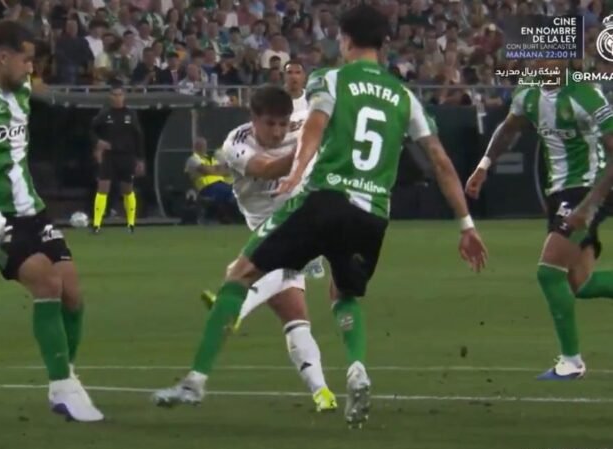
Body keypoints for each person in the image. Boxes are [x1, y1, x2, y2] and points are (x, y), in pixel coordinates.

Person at [152, 5, 487, 427]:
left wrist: (295, 174)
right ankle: (357, 369)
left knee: (239, 274)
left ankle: (195, 381)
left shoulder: (329, 79)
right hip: (374, 214)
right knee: (343, 294)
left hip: (326, 199)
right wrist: (466, 225)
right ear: (384, 43)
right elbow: (439, 159)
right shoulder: (405, 97)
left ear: (345, 39)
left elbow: (313, 128)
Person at [0, 20, 104, 423]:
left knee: (72, 292)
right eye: (26, 60)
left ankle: (64, 376)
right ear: (3, 57)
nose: (31, 68)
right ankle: (63, 387)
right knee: (46, 282)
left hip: (31, 208)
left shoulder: (20, 88)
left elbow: (38, 98)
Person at [188, 87, 337, 412]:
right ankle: (322, 391)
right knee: (295, 316)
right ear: (253, 119)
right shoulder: (236, 144)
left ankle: (237, 308)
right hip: (263, 227)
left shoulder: (302, 123)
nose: (278, 131)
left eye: (283, 124)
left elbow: (334, 116)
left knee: (257, 275)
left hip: (301, 217)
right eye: (270, 124)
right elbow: (270, 170)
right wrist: (308, 147)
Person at [465, 71, 613, 380]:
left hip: (588, 187)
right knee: (579, 283)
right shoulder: (529, 92)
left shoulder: (585, 94)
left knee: (549, 271)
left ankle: (571, 362)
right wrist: (484, 166)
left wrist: (589, 206)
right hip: (560, 191)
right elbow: (508, 128)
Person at [89, 82, 145, 234]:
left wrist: (140, 159)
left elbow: (138, 137)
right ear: (110, 97)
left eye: (120, 95)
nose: (117, 98)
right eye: (114, 95)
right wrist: (98, 142)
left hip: (127, 156)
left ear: (124, 96)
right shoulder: (104, 114)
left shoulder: (131, 114)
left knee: (127, 189)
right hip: (109, 156)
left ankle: (131, 224)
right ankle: (96, 224)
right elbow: (91, 130)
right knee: (103, 187)